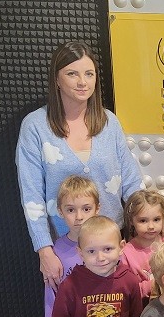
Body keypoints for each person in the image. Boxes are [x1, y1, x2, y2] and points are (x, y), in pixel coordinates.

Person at [16, 41, 143, 291]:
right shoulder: (35, 126)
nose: (82, 82)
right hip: (65, 250)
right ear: (57, 79)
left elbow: (131, 181)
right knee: (72, 313)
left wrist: (148, 227)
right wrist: (44, 250)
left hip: (111, 246)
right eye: (72, 74)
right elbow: (31, 195)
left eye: (89, 74)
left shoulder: (108, 122)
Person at [48, 216, 143, 317]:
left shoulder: (130, 281)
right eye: (91, 251)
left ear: (121, 247)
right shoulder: (69, 286)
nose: (100, 258)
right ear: (81, 253)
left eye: (107, 249)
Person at [44, 176, 99, 317]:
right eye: (70, 210)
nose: (79, 217)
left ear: (97, 209)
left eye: (86, 209)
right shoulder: (57, 251)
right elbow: (52, 295)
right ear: (60, 211)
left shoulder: (107, 246)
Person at [121, 190, 164, 301]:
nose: (151, 226)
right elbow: (127, 290)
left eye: (156, 219)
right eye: (143, 221)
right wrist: (152, 285)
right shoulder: (126, 254)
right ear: (131, 220)